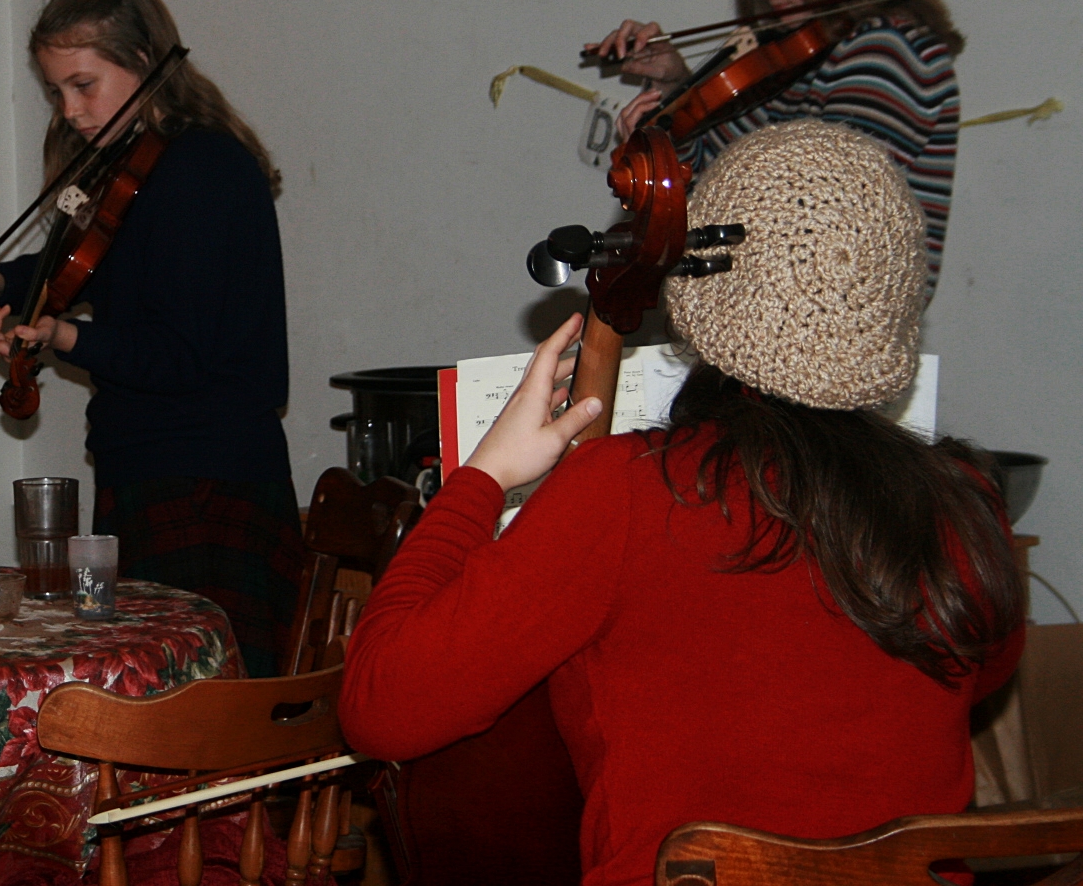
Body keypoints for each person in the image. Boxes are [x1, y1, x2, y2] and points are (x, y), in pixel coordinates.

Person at [340, 121, 1023, 886]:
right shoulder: (968, 504)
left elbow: (380, 705)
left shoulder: (629, 490)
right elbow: (977, 675)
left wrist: (486, 475)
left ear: (701, 284)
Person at [0, 0, 301, 676]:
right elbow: (81, 266)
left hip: (209, 483)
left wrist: (61, 337)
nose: (70, 110)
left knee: (204, 715)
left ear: (148, 63)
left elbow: (183, 355)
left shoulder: (203, 171)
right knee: (148, 693)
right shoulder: (132, 170)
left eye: (84, 85)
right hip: (144, 470)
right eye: (56, 91)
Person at [590, 0, 961, 295]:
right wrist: (678, 98)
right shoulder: (782, 55)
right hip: (757, 332)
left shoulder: (886, 54)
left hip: (823, 345)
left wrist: (670, 146)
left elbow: (807, 230)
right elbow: (709, 205)